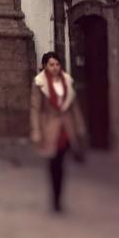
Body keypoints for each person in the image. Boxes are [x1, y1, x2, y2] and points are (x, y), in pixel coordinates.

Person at [30, 50, 87, 213]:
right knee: (54, 165)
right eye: (51, 64)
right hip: (50, 127)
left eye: (57, 64)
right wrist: (36, 130)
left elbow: (74, 107)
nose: (54, 68)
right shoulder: (39, 84)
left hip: (66, 127)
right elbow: (35, 108)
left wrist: (80, 126)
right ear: (45, 66)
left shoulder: (66, 81)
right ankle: (56, 200)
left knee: (61, 162)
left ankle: (59, 197)